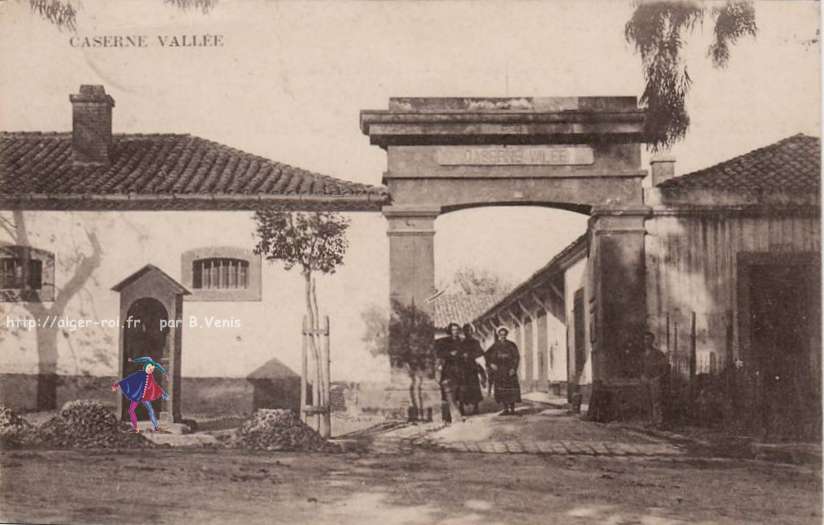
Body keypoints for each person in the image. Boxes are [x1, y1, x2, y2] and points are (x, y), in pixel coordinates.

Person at [112, 356, 169, 432]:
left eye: (152, 369)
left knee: (151, 410)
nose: (150, 370)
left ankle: (156, 427)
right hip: (137, 396)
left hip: (145, 397)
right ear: (145, 367)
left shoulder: (150, 377)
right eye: (149, 368)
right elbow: (129, 379)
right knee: (131, 410)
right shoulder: (140, 374)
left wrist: (163, 394)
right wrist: (116, 385)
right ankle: (135, 428)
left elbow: (155, 386)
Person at [484, 327, 521, 415]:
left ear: (506, 335)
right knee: (502, 390)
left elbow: (516, 357)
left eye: (504, 334)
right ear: (498, 335)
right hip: (500, 371)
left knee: (511, 390)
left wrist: (513, 368)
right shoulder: (495, 345)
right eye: (501, 334)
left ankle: (512, 409)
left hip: (509, 370)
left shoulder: (512, 345)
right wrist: (491, 364)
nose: (502, 336)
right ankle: (505, 409)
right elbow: (486, 355)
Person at [434, 322, 464, 424]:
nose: (455, 332)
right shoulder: (444, 341)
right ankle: (446, 417)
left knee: (458, 392)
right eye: (453, 330)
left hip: (459, 369)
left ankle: (458, 414)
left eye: (456, 329)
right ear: (450, 331)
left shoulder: (461, 341)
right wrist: (449, 354)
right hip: (449, 369)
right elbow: (439, 353)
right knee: (446, 393)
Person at [640, 331, 669, 428]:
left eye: (648, 339)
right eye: (644, 339)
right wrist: (642, 376)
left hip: (654, 379)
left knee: (656, 401)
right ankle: (650, 421)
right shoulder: (643, 354)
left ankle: (659, 422)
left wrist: (659, 376)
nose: (646, 341)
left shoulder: (658, 353)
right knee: (647, 401)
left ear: (652, 340)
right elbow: (639, 366)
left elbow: (665, 366)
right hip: (645, 379)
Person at [459, 323, 487, 416]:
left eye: (470, 330)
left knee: (474, 385)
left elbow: (480, 353)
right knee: (462, 387)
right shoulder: (461, 343)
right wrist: (462, 355)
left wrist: (471, 356)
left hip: (472, 366)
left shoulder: (476, 342)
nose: (468, 332)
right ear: (464, 331)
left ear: (472, 331)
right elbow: (458, 353)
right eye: (466, 330)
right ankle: (461, 407)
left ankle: (476, 407)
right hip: (463, 366)